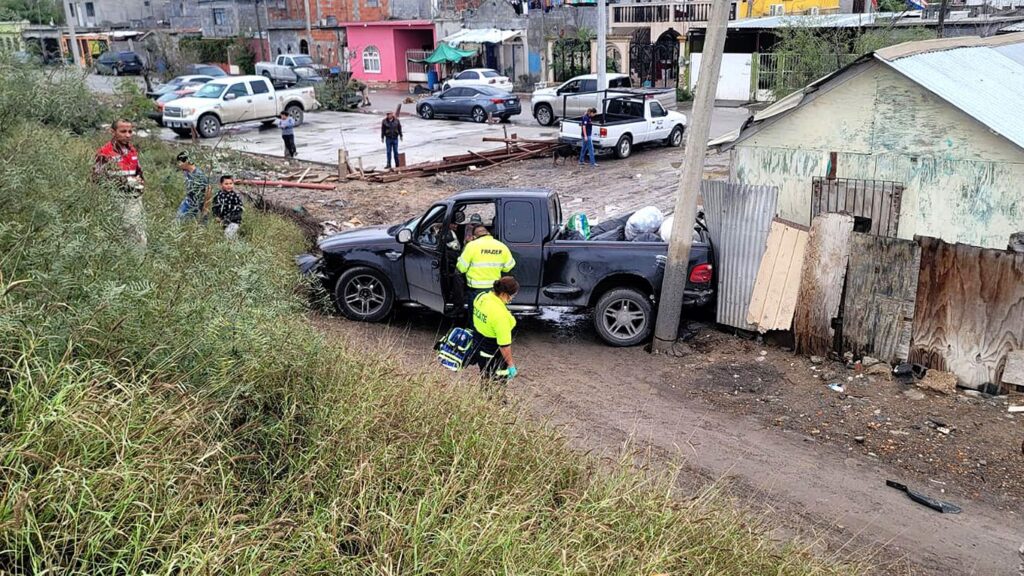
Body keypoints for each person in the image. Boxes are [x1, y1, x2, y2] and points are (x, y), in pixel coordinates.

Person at [93, 119, 146, 248]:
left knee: (138, 236)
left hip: (134, 199)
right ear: (113, 132)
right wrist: (126, 182)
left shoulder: (132, 150)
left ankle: (137, 265)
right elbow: (97, 178)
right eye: (123, 131)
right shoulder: (104, 152)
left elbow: (139, 172)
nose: (127, 135)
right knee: (117, 236)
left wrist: (140, 180)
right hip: (115, 199)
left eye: (130, 131)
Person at [457, 224, 516, 319]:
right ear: (488, 233)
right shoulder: (501, 246)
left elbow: (461, 268)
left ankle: (477, 332)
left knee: (476, 316)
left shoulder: (471, 246)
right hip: (494, 289)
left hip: (476, 289)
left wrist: (460, 258)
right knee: (491, 315)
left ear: (474, 237)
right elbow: (509, 267)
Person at [471, 276, 520, 382]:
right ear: (503, 294)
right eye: (511, 295)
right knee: (496, 383)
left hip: (478, 347)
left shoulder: (481, 297)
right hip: (493, 356)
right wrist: (511, 365)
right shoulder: (501, 316)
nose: (511, 299)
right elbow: (504, 346)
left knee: (484, 376)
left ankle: (481, 397)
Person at [175, 151, 209, 222]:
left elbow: (208, 190)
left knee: (200, 223)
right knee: (179, 219)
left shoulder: (199, 175)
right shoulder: (186, 171)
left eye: (180, 162)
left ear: (186, 162)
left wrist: (205, 208)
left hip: (197, 204)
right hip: (188, 201)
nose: (179, 165)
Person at [212, 175, 244, 239]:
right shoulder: (218, 195)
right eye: (226, 184)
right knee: (217, 235)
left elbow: (239, 209)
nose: (229, 185)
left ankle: (233, 245)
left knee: (229, 233)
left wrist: (228, 219)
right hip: (220, 220)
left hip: (233, 221)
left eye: (231, 183)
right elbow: (215, 207)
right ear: (221, 185)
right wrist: (216, 216)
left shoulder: (235, 196)